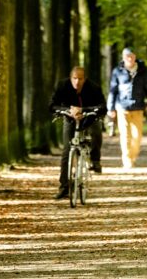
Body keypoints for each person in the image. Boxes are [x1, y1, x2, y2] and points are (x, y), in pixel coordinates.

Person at [49, 66, 107, 199]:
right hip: (69, 118)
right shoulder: (62, 86)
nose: (77, 81)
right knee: (67, 151)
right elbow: (52, 105)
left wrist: (83, 110)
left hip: (89, 117)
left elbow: (103, 106)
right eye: (74, 78)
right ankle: (64, 187)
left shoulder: (94, 88)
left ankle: (95, 160)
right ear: (70, 78)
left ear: (85, 79)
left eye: (80, 79)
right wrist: (68, 110)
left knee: (96, 132)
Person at [106, 47, 147, 169]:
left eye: (132, 56)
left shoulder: (142, 70)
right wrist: (110, 108)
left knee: (137, 136)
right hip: (122, 107)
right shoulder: (117, 71)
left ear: (135, 57)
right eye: (127, 56)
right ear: (123, 57)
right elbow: (113, 90)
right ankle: (127, 161)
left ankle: (133, 156)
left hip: (138, 107)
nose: (130, 58)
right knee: (125, 136)